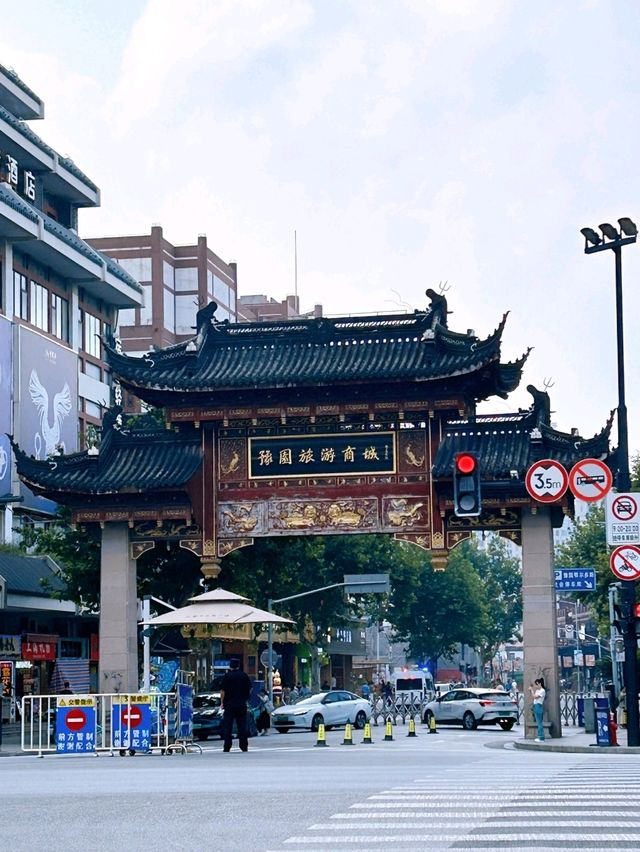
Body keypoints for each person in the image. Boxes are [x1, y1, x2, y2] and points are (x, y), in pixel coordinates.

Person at [220, 658, 252, 752]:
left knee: (228, 726)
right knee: (242, 725)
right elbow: (250, 689)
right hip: (241, 704)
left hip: (229, 704)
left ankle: (227, 746)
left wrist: (222, 702)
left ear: (230, 666)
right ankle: (243, 746)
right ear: (238, 666)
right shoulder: (244, 676)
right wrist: (245, 697)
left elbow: (223, 691)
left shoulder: (227, 676)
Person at [529, 677, 546, 742]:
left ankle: (541, 737)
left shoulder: (542, 691)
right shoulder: (537, 691)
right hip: (535, 706)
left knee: (539, 722)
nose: (536, 686)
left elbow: (535, 697)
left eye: (536, 684)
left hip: (539, 706)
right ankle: (540, 736)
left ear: (539, 684)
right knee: (538, 722)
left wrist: (531, 690)